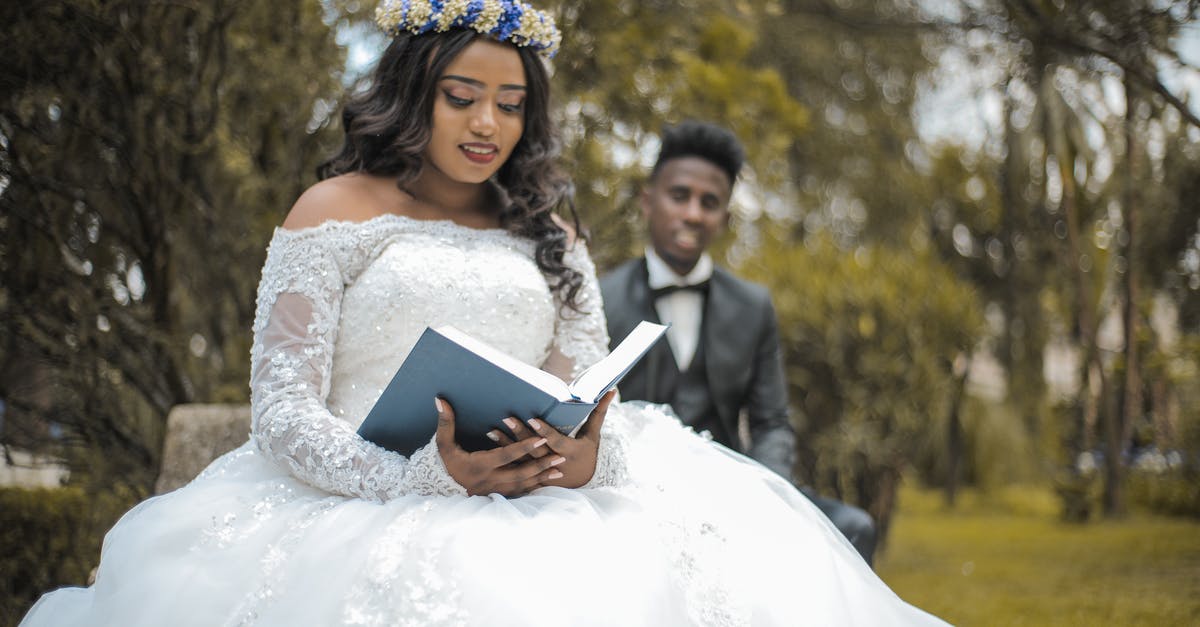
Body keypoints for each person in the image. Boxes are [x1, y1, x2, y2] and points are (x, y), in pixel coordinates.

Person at [21, 2, 944, 625]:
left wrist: (586, 454)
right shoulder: (330, 211)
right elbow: (284, 413)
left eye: (509, 104)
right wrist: (426, 475)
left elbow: (596, 389)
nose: (486, 125)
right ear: (413, 89)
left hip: (545, 488)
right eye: (461, 97)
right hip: (361, 495)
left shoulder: (549, 230)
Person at [600, 120, 880, 565]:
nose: (693, 213)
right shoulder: (601, 298)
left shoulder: (753, 306)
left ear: (725, 217)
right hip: (631, 492)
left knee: (854, 527)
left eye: (709, 203)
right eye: (680, 196)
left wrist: (765, 494)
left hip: (732, 487)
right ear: (648, 201)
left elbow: (771, 422)